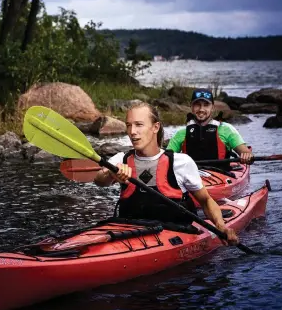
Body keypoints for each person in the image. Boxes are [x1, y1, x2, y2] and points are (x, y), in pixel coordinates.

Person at [93, 102, 238, 246]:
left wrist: (220, 226)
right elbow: (99, 180)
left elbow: (205, 200)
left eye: (139, 125)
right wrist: (112, 173)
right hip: (129, 232)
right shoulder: (120, 160)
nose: (132, 131)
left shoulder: (181, 162)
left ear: (155, 127)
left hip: (173, 234)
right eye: (129, 125)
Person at [165, 88, 254, 165]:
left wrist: (247, 155)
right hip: (190, 177)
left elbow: (246, 153)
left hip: (221, 175)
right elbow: (166, 159)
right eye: (197, 105)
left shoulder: (226, 129)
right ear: (191, 107)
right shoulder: (181, 133)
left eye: (206, 105)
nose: (201, 109)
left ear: (212, 108)